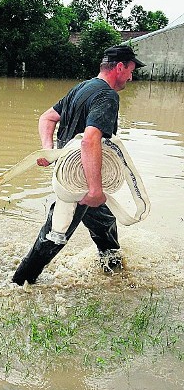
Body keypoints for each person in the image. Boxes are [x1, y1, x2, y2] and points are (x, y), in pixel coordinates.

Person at [12, 45, 145, 285]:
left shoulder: (83, 87)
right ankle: (20, 283)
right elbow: (90, 139)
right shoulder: (107, 95)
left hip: (70, 173)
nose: (131, 77)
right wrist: (95, 190)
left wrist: (49, 149)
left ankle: (113, 270)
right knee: (55, 235)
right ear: (119, 67)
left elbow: (47, 117)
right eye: (130, 71)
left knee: (104, 222)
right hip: (81, 182)